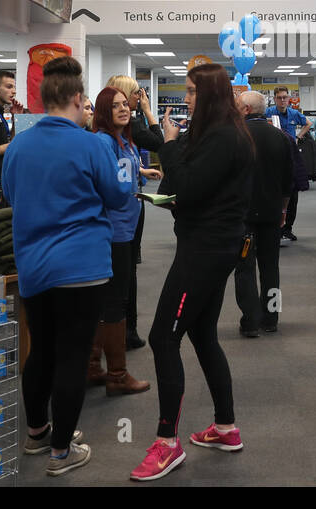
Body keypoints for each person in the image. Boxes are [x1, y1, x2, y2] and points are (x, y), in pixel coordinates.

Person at [1, 57, 135, 475]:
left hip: (33, 266)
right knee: (73, 357)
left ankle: (37, 433)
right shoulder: (91, 145)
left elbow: (9, 195)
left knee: (41, 350)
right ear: (78, 99)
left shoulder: (19, 145)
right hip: (81, 267)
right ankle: (61, 451)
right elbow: (117, 196)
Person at [131, 63, 255, 481]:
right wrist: (169, 140)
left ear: (210, 95)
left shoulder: (224, 137)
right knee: (202, 335)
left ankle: (167, 443)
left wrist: (167, 144)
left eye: (190, 91)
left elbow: (184, 185)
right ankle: (226, 426)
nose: (185, 99)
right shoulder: (218, 133)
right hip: (210, 244)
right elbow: (192, 183)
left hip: (205, 251)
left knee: (162, 337)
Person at [88, 86, 159, 394]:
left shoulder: (124, 140)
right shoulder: (103, 141)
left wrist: (141, 171)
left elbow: (121, 170)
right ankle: (116, 375)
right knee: (115, 298)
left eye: (124, 104)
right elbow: (105, 181)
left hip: (128, 225)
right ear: (104, 111)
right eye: (115, 106)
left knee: (117, 294)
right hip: (114, 229)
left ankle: (93, 367)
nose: (123, 109)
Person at [107, 75, 165, 350]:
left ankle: (127, 331)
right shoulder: (117, 132)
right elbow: (158, 141)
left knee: (128, 272)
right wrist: (148, 110)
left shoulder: (124, 134)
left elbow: (123, 162)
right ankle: (123, 334)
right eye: (134, 95)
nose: (130, 104)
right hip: (121, 216)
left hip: (131, 209)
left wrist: (140, 170)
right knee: (123, 275)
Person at [234, 91, 294, 336]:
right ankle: (271, 318)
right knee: (271, 268)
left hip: (243, 215)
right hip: (272, 213)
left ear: (246, 109)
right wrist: (283, 209)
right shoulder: (282, 137)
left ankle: (250, 321)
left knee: (244, 268)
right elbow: (288, 181)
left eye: (237, 106)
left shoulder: (235, 136)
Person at [266, 87, 309, 242]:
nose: (282, 100)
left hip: (290, 156)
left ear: (289, 98)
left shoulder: (294, 113)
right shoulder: (268, 112)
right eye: (279, 97)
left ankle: (287, 229)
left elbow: (308, 123)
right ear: (275, 99)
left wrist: (298, 137)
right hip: (273, 156)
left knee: (292, 195)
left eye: (285, 97)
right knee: (275, 194)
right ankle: (274, 228)